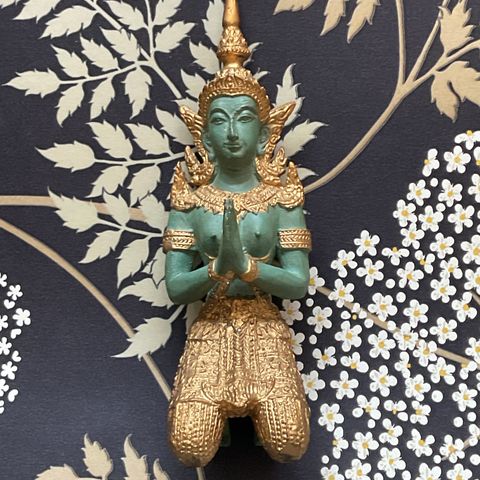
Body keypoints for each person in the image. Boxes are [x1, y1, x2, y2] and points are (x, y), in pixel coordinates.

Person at [164, 0, 312, 467]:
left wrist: (247, 268)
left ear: (265, 133)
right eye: (219, 120)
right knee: (190, 448)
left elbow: (297, 283)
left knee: (289, 442)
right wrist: (215, 270)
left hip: (265, 328)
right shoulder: (191, 199)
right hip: (210, 327)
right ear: (204, 137)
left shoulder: (282, 197)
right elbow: (175, 287)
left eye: (244, 118)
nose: (231, 131)